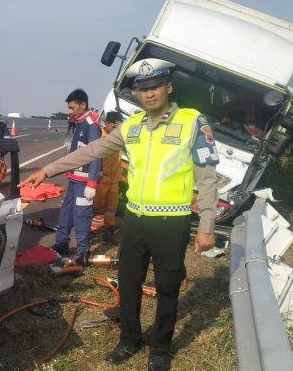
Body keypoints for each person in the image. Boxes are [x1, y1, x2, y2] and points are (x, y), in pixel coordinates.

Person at [20, 58, 219, 371]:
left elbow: (208, 178)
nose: (149, 94)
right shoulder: (133, 126)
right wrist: (47, 169)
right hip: (136, 221)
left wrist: (206, 225)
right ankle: (129, 340)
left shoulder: (193, 123)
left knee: (167, 289)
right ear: (138, 93)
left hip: (172, 222)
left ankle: (160, 350)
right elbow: (91, 151)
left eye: (155, 87)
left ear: (169, 87)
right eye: (143, 89)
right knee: (128, 284)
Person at [50, 89, 101, 261]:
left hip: (84, 182)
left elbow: (95, 155)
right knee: (65, 213)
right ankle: (61, 244)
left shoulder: (91, 125)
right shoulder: (79, 122)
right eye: (69, 108)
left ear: (83, 105)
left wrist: (92, 184)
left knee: (81, 215)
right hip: (74, 180)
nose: (70, 111)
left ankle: (82, 251)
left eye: (72, 108)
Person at [93, 110, 123, 242]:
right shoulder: (98, 138)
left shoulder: (120, 139)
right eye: (113, 126)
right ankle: (88, 231)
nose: (116, 129)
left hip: (114, 180)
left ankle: (108, 231)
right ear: (106, 123)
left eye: (118, 127)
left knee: (112, 208)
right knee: (95, 207)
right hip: (101, 180)